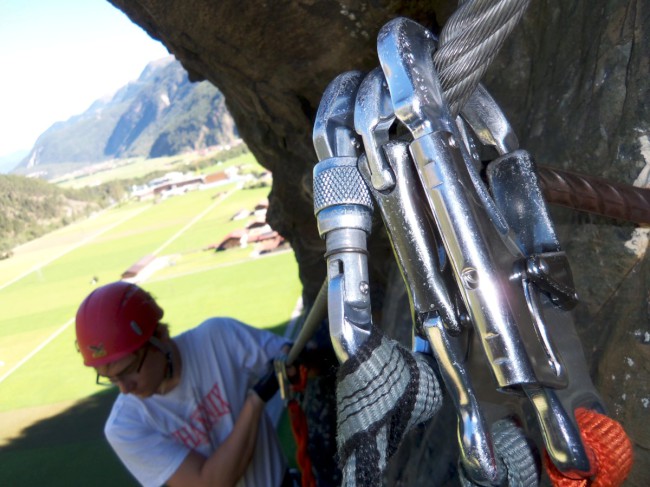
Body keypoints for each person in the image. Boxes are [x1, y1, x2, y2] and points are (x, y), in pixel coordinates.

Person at [75, 280, 293, 487]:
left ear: (160, 336)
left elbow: (300, 361)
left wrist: (293, 360)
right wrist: (255, 401)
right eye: (110, 378)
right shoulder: (125, 426)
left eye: (128, 371)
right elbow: (209, 484)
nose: (124, 388)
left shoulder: (218, 339)